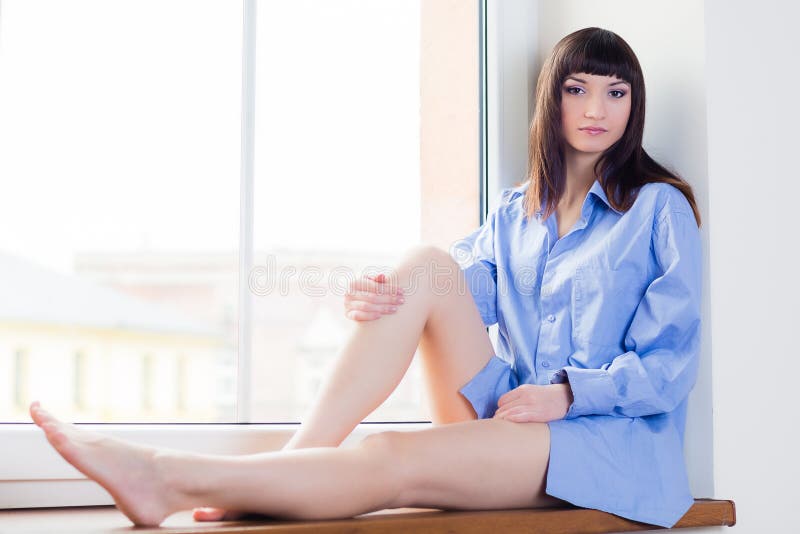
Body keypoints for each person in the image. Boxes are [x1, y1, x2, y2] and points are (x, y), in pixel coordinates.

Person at [28, 26, 702, 529]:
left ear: (632, 106)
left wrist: (564, 395)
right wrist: (387, 297)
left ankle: (164, 477)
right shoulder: (513, 212)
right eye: (577, 88)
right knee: (422, 266)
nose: (597, 108)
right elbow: (454, 294)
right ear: (550, 102)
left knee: (391, 457)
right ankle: (292, 463)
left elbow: (668, 368)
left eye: (617, 92)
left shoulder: (658, 209)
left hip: (604, 444)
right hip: (514, 418)